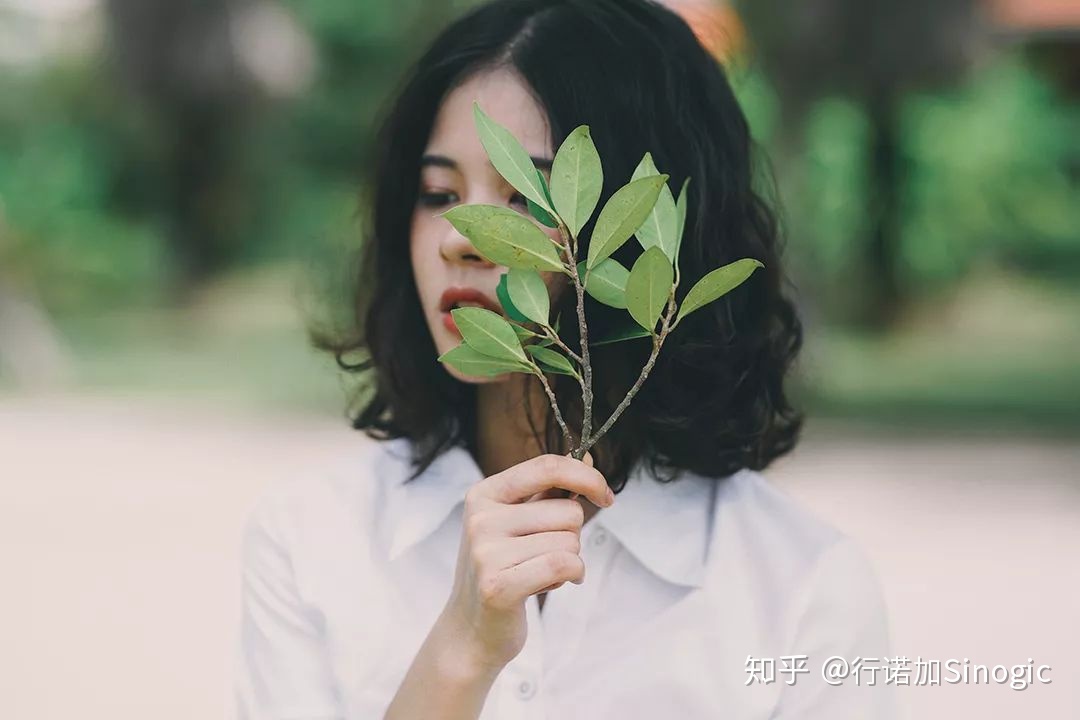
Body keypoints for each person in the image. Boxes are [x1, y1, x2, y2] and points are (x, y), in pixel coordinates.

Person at [233, 1, 896, 718]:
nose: (462, 235)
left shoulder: (801, 587)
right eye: (438, 194)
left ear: (650, 234)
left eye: (528, 193)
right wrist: (459, 656)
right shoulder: (312, 540)